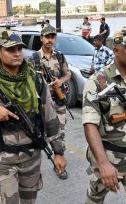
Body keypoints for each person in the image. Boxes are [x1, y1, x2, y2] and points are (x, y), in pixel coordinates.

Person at [0, 30, 66, 204]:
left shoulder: (36, 80)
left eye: (19, 48)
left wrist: (58, 152)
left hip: (31, 156)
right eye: (10, 50)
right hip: (1, 159)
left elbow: (50, 118)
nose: (17, 53)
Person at [82, 26, 126, 203]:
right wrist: (104, 164)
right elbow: (90, 124)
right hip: (108, 155)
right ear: (115, 50)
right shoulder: (97, 82)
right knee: (94, 200)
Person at [31, 24, 71, 180]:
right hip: (41, 105)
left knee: (60, 135)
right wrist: (45, 85)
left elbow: (68, 75)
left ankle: (59, 165)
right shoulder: (33, 58)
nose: (50, 40)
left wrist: (60, 82)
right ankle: (32, 170)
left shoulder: (59, 56)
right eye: (47, 37)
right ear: (41, 38)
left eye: (52, 37)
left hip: (58, 103)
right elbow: (30, 81)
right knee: (38, 135)